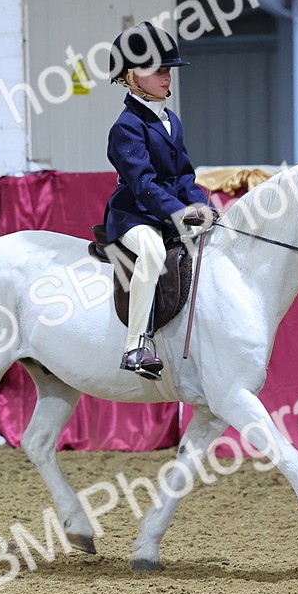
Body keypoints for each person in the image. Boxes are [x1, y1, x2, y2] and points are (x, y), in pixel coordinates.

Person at [105, 21, 209, 380]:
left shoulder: (170, 120)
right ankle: (134, 345)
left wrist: (198, 206)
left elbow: (183, 174)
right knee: (151, 251)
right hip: (134, 215)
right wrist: (178, 214)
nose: (167, 76)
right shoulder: (126, 127)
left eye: (168, 69)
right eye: (157, 70)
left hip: (167, 210)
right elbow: (143, 184)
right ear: (131, 76)